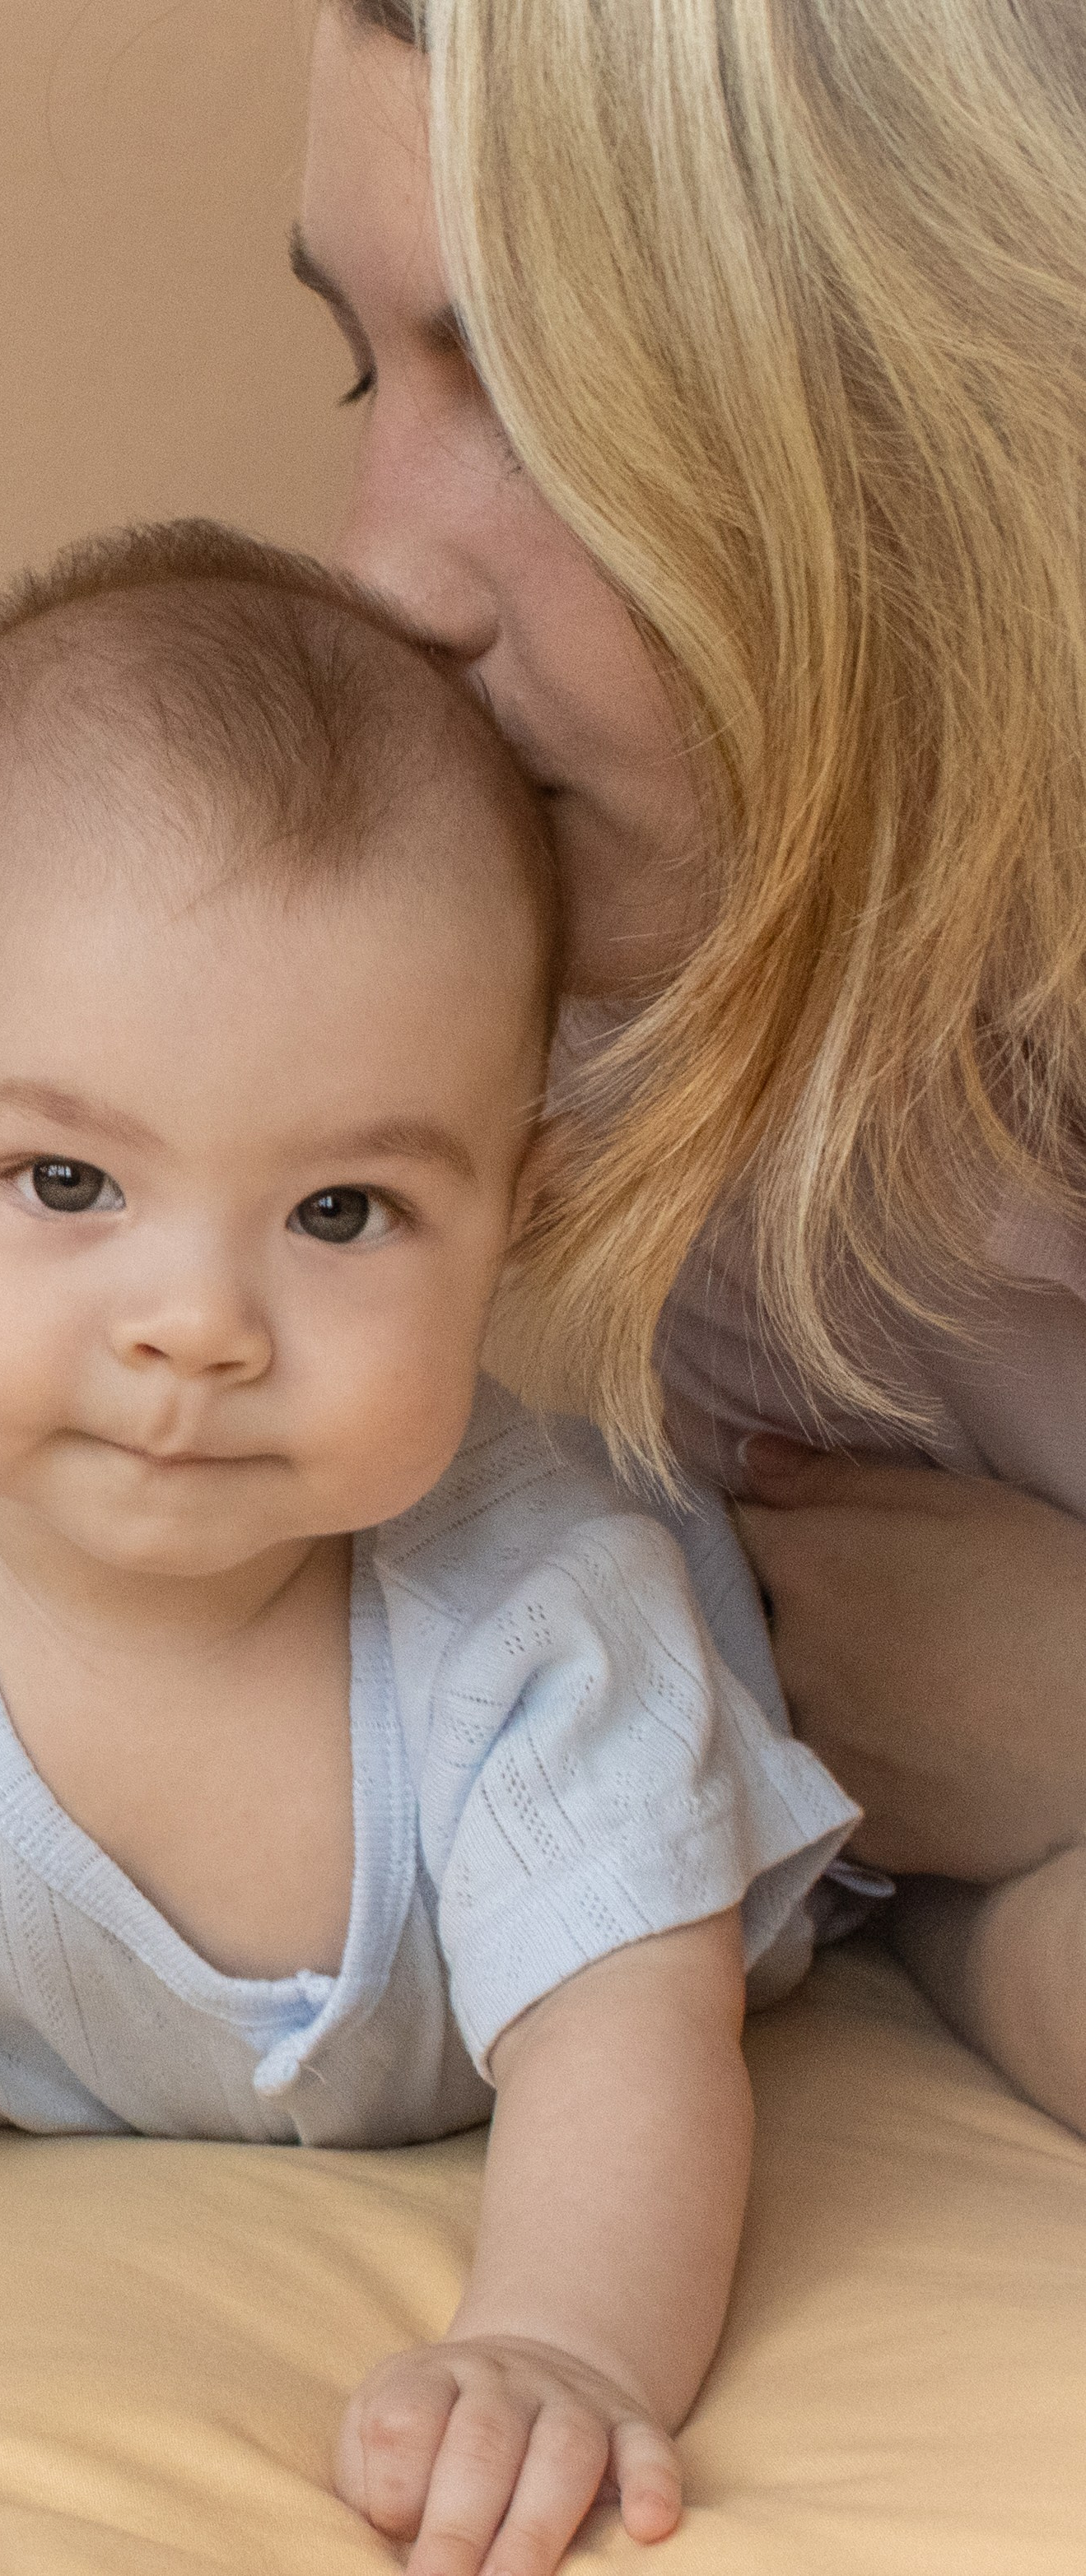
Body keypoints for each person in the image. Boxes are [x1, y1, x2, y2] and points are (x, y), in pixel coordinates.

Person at [0, 528, 855, 2572]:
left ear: (513, 1215)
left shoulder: (548, 1618)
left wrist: (561, 2338)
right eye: (65, 1180)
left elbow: (628, 2054)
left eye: (341, 1212)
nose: (195, 1322)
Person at [292, 0, 1086, 2129]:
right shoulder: (667, 1023)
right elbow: (895, 1790)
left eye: (534, 392)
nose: (378, 570)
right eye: (361, 370)